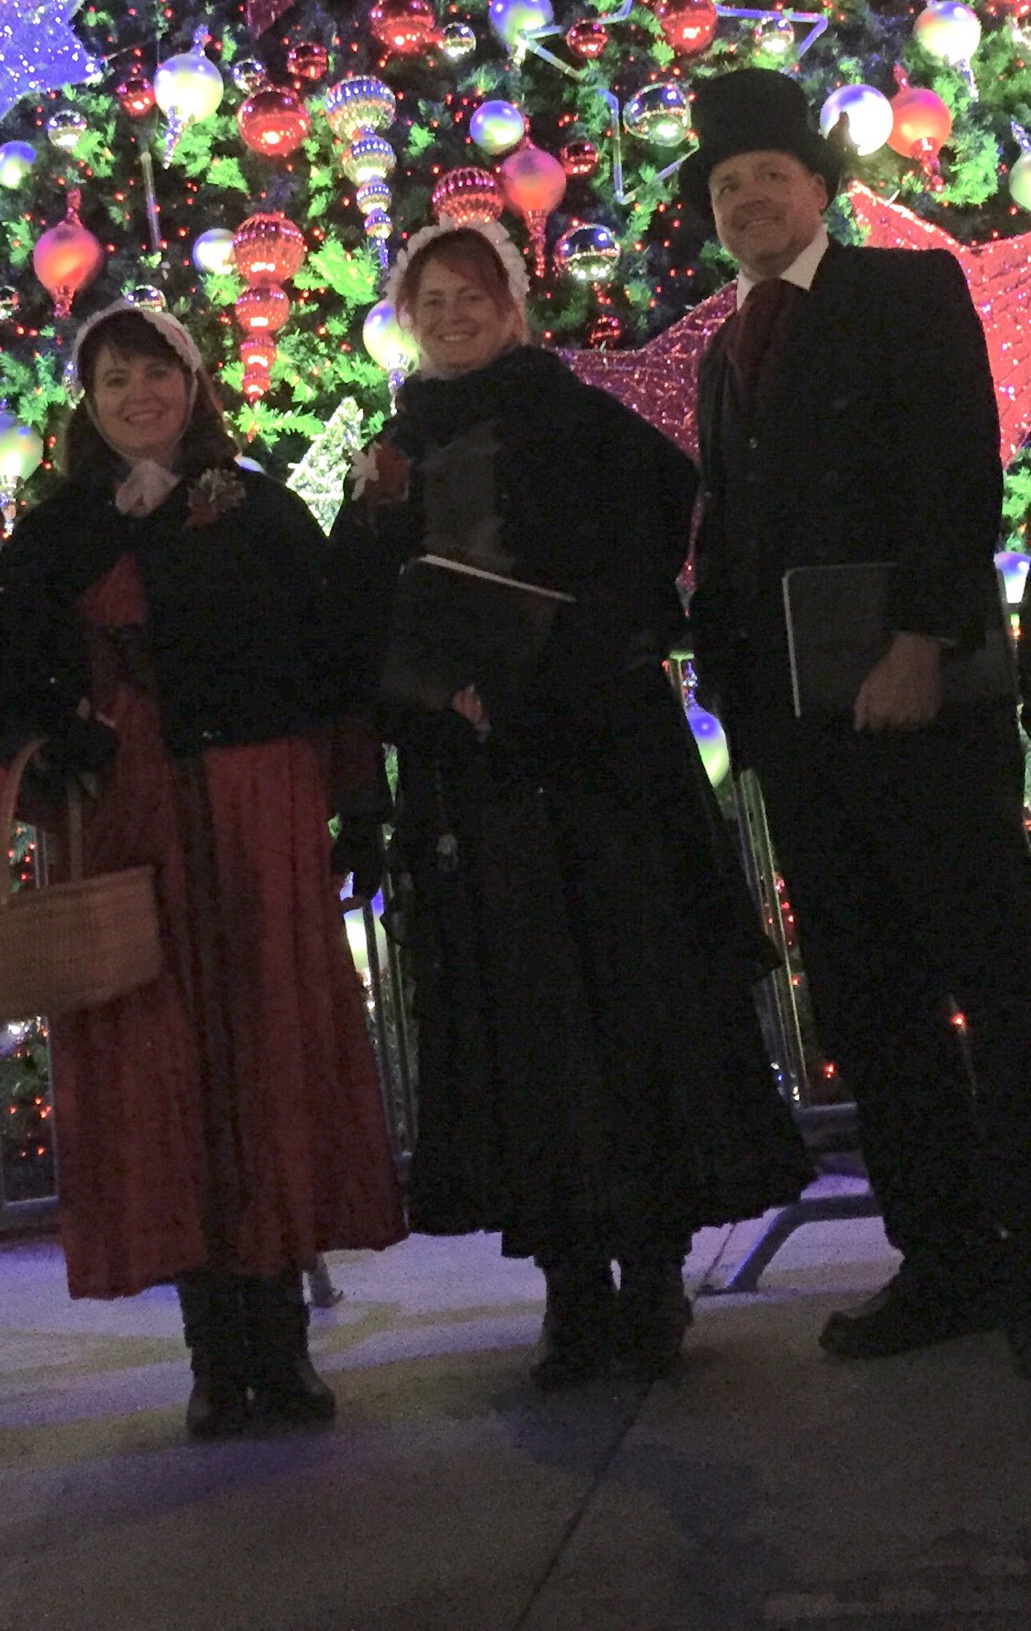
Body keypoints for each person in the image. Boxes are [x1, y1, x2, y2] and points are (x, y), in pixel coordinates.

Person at [325, 219, 808, 1388]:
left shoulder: (579, 419)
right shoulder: (394, 448)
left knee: (630, 1009)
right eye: (432, 302)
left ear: (512, 306)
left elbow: (642, 560)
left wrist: (539, 670)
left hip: (597, 771)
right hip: (473, 783)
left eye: (471, 296)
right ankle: (571, 1287)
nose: (452, 317)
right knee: (521, 1031)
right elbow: (354, 621)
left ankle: (651, 1275)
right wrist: (386, 548)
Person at [0, 302, 405, 1438]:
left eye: (157, 373)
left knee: (267, 1056)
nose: (139, 395)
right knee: (164, 1071)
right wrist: (54, 745)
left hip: (259, 818)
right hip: (130, 829)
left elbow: (336, 670)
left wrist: (358, 804)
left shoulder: (262, 513)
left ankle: (280, 1343)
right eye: (115, 380)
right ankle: (214, 1351)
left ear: (194, 387)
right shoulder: (56, 537)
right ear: (89, 403)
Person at [687, 66, 1031, 1368]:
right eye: (728, 186)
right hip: (802, 733)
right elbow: (734, 536)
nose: (749, 199)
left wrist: (922, 640)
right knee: (871, 1001)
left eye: (769, 175)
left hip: (920, 701)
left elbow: (957, 472)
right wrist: (739, 703)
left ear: (820, 188)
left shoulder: (904, 292)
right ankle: (941, 1258)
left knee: (995, 976)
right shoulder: (725, 350)